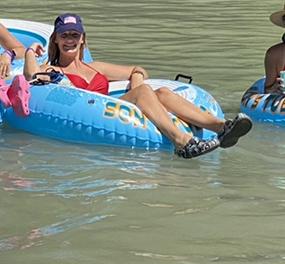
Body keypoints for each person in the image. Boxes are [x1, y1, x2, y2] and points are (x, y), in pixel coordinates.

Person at [23, 13, 253, 159]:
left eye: (75, 35)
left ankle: (221, 126)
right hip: (92, 109)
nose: (70, 40)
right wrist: (31, 50)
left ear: (83, 38)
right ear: (55, 39)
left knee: (161, 92)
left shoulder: (96, 67)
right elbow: (31, 74)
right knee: (144, 92)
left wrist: (135, 81)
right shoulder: (53, 70)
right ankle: (181, 142)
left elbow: (138, 69)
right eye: (64, 35)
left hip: (112, 105)